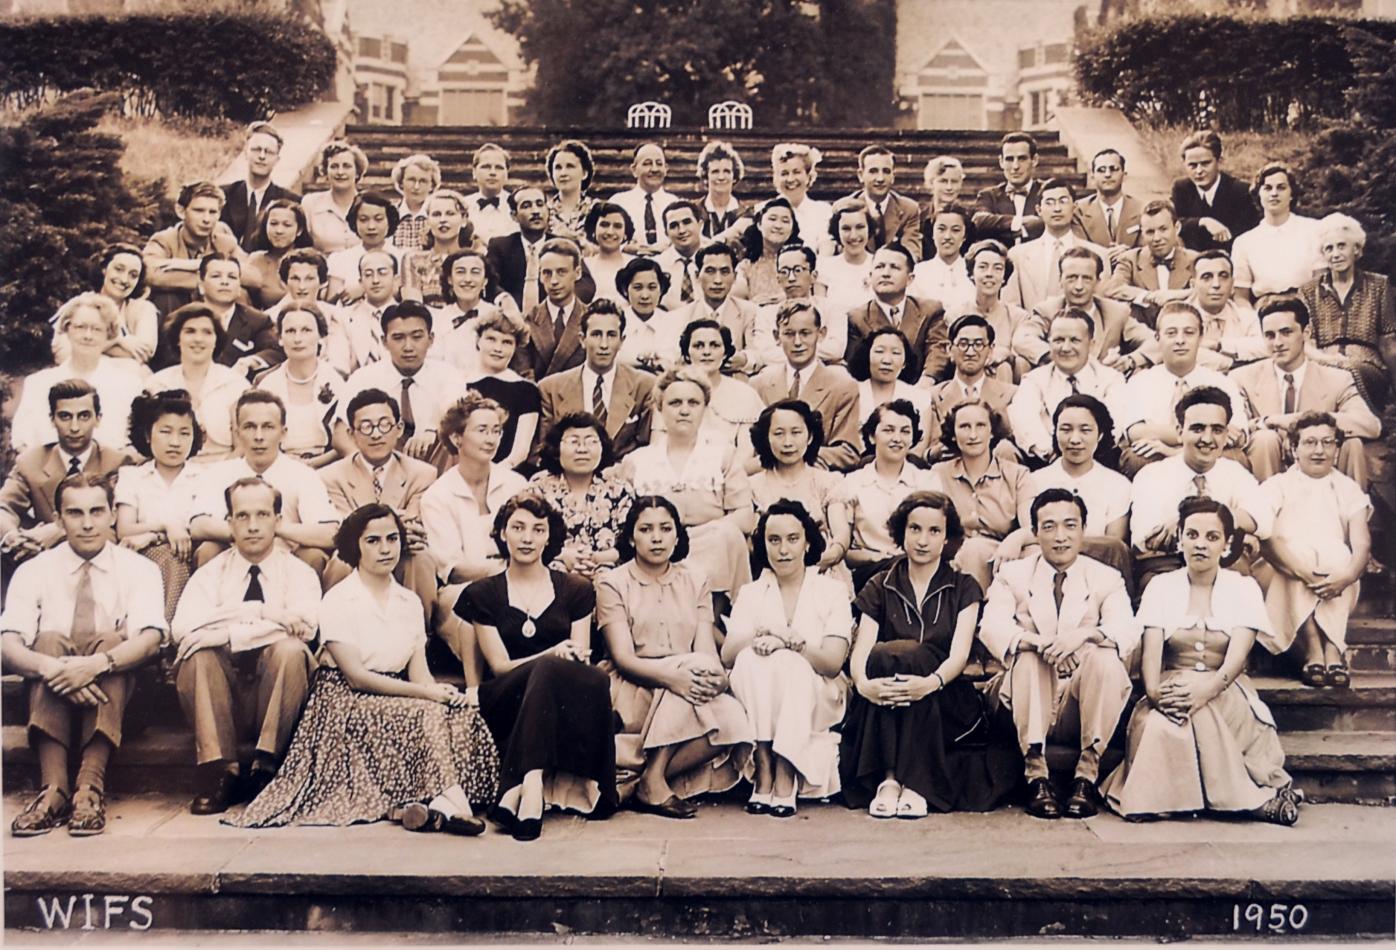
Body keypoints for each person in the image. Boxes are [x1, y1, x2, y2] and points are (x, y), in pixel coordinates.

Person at [230, 504, 499, 832]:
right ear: (354, 546)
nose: (385, 549)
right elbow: (356, 677)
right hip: (344, 701)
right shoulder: (339, 600)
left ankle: (425, 805)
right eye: (373, 541)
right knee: (425, 713)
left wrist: (437, 692)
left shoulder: (409, 602)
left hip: (395, 691)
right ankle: (450, 802)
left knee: (458, 714)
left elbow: (419, 672)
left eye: (392, 538)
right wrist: (425, 695)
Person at [1100, 498, 1299, 825]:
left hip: (1225, 693)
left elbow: (1234, 663)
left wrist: (1201, 693)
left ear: (1226, 544)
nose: (1200, 544)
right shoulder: (1160, 587)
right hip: (1170, 691)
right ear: (1179, 539)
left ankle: (1197, 797)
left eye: (1212, 537)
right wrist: (1155, 696)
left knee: (1187, 717)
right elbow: (1151, 660)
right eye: (1192, 534)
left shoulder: (1244, 588)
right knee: (1160, 725)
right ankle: (1245, 802)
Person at [1, 474, 166, 837]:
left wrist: (95, 665)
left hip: (124, 699)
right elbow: (8, 646)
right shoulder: (34, 570)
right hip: (52, 691)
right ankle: (55, 789)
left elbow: (152, 639)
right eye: (75, 513)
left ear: (111, 515)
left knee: (111, 641)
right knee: (46, 641)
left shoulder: (139, 568)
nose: (88, 523)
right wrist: (54, 669)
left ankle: (90, 785)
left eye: (97, 511)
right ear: (59, 520)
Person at [841, 491, 1021, 817]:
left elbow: (959, 655)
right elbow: (862, 650)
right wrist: (863, 685)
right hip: (886, 698)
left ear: (947, 537)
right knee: (888, 655)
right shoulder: (880, 585)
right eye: (915, 529)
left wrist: (929, 683)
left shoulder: (964, 587)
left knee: (913, 655)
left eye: (934, 531)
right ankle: (891, 781)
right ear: (901, 532)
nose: (923, 540)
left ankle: (908, 780)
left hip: (945, 699)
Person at [455, 494, 618, 841]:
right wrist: (551, 653)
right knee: (545, 668)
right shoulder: (482, 593)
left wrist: (561, 655)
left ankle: (526, 784)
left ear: (549, 537)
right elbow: (499, 666)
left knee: (566, 674)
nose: (527, 538)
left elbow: (580, 652)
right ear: (502, 533)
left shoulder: (576, 589)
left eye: (537, 529)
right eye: (518, 528)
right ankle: (530, 785)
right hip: (508, 695)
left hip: (566, 695)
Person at [979, 488, 1141, 820]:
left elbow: (1126, 630)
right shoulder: (1013, 575)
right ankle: (1036, 774)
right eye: (1049, 527)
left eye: (1070, 525)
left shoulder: (1105, 577)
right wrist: (1043, 645)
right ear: (1035, 533)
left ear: (1083, 529)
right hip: (1021, 698)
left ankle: (1086, 774)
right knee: (1031, 656)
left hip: (1076, 703)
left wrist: (1082, 636)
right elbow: (991, 627)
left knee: (1105, 658)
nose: (1060, 537)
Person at [597, 496, 754, 816]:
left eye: (666, 528)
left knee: (735, 721)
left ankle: (644, 781)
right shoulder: (612, 583)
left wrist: (717, 678)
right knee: (693, 667)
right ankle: (651, 782)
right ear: (631, 537)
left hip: (687, 684)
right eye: (646, 529)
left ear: (677, 536)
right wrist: (674, 677)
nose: (657, 537)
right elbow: (624, 657)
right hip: (634, 686)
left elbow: (705, 650)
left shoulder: (696, 579)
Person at [172, 476, 320, 814]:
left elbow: (306, 628)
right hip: (221, 700)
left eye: (262, 515)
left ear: (278, 521)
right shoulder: (210, 574)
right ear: (229, 523)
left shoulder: (298, 573)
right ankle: (220, 771)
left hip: (279, 696)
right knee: (199, 655)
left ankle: (266, 769)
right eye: (242, 516)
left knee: (290, 650)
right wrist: (263, 612)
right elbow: (182, 630)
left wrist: (224, 631)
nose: (252, 526)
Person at [723, 500, 853, 816]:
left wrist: (788, 641)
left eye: (793, 539)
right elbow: (728, 655)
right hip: (761, 692)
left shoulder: (831, 591)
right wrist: (759, 634)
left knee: (790, 662)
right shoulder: (751, 593)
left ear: (807, 542)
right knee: (751, 660)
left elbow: (832, 663)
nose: (783, 550)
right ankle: (764, 762)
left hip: (819, 694)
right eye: (774, 540)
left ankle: (785, 767)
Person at [620, 368, 756, 606]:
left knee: (728, 535)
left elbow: (744, 516)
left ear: (705, 408)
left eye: (693, 403)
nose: (684, 410)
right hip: (656, 547)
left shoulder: (722, 454)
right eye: (675, 403)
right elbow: (623, 520)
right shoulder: (637, 461)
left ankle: (715, 625)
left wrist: (698, 535)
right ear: (660, 408)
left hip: (713, 547)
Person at [1259, 412, 1372, 688]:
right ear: (1293, 448)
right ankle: (1313, 645)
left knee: (1337, 554)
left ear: (1337, 448)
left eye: (1327, 442)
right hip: (1281, 574)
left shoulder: (1347, 488)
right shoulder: (1276, 486)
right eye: (1309, 442)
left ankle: (1332, 645)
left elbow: (1362, 545)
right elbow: (1267, 539)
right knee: (1300, 552)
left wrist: (1346, 577)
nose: (1319, 450)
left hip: (1336, 582)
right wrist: (1302, 571)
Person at [422, 393, 528, 672]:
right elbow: (453, 570)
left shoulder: (516, 484)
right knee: (476, 605)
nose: (492, 439)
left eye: (497, 431)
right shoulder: (438, 495)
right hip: (463, 590)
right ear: (457, 438)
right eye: (482, 430)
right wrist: (506, 570)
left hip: (521, 576)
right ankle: (479, 687)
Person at [1130, 387, 1272, 591]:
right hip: (1167, 568)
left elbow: (1264, 522)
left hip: (1224, 566)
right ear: (1179, 432)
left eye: (1217, 430)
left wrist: (1183, 521)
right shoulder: (1152, 475)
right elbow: (1146, 540)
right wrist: (1231, 528)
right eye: (1197, 429)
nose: (1207, 439)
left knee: (1239, 584)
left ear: (1225, 435)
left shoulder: (1235, 473)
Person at [1232, 294, 1380, 487]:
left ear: (1306, 333)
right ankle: (1265, 513)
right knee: (1264, 438)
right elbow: (1236, 428)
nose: (1277, 342)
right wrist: (1268, 423)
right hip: (1268, 471)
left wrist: (1300, 420)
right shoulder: (1242, 378)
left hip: (1322, 471)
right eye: (1270, 335)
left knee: (1353, 444)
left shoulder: (1336, 378)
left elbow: (1370, 425)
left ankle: (1351, 513)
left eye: (1286, 332)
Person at [319, 389, 440, 623]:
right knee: (340, 562)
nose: (376, 434)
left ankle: (421, 635)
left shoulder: (422, 473)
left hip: (401, 550)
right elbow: (343, 530)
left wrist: (374, 528)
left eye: (384, 425)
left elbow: (412, 526)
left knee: (420, 558)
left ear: (399, 429)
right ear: (352, 434)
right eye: (366, 427)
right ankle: (337, 634)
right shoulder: (330, 477)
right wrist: (391, 524)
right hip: (355, 552)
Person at [189, 390, 341, 573]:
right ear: (237, 433)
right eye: (250, 427)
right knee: (208, 549)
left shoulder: (303, 474)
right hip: (235, 563)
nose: (258, 436)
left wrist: (274, 528)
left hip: (288, 564)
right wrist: (244, 530)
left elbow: (330, 533)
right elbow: (198, 525)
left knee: (314, 556)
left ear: (283, 433)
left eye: (268, 427)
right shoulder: (220, 472)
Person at [0, 381, 126, 574]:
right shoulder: (31, 462)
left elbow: (111, 530)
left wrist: (58, 530)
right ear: (52, 419)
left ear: (98, 419)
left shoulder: (116, 462)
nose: (74, 427)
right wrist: (13, 537)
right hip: (39, 560)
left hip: (101, 563)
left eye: (84, 416)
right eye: (65, 417)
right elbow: (3, 507)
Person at [1116, 302, 1250, 476]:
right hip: (1159, 455)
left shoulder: (1220, 382)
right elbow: (1136, 432)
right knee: (1138, 457)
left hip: (1208, 455)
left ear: (1200, 337)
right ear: (1157, 338)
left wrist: (1174, 448)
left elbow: (1237, 436)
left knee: (1234, 457)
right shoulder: (1140, 382)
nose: (1180, 340)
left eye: (1189, 333)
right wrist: (1207, 432)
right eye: (1171, 333)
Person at [1006, 394, 1133, 578]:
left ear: (1100, 435)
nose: (1075, 439)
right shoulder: (1032, 481)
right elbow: (1035, 537)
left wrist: (1021, 536)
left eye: (1085, 430)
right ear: (1055, 432)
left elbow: (1112, 548)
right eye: (1066, 429)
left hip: (1099, 574)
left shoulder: (1118, 485)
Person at [13, 294, 144, 455]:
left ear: (108, 334)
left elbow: (137, 443)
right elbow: (21, 440)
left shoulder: (129, 385)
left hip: (111, 475)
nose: (87, 336)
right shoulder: (38, 383)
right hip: (46, 475)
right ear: (67, 329)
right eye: (80, 327)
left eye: (96, 329)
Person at [341, 301, 466, 467]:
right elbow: (340, 434)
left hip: (435, 466)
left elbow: (454, 408)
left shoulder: (447, 374)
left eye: (417, 337)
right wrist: (368, 469)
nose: (408, 347)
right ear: (384, 342)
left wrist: (431, 429)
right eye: (398, 338)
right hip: (379, 464)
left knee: (451, 434)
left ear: (431, 339)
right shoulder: (364, 378)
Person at [116, 390, 205, 621]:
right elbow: (125, 529)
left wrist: (152, 534)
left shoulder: (205, 478)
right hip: (142, 557)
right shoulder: (132, 477)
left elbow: (204, 527)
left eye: (185, 433)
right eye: (165, 432)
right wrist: (166, 526)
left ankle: (168, 636)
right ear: (147, 434)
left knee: (175, 559)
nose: (175, 442)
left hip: (190, 558)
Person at [748, 399, 853, 590]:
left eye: (796, 433)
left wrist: (832, 554)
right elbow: (754, 542)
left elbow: (840, 533)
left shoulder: (828, 482)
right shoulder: (753, 486)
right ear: (766, 438)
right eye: (778, 434)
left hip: (823, 570)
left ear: (810, 436)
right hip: (770, 573)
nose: (788, 442)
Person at [1297, 212, 1396, 412]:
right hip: (1323, 362)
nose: (1335, 254)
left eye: (1342, 246)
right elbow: (1307, 343)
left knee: (1351, 370)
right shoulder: (1308, 291)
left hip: (1367, 366)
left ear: (1356, 249)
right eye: (1329, 248)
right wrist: (1329, 360)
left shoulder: (1378, 285)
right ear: (1323, 255)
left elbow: (1389, 344)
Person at [841, 399, 943, 590]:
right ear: (872, 436)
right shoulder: (852, 483)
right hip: (871, 573)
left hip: (918, 568)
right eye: (888, 430)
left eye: (905, 431)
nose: (897, 438)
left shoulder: (927, 481)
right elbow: (844, 551)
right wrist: (874, 556)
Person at [536, 300, 654, 463]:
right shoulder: (551, 388)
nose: (604, 345)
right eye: (596, 335)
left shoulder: (645, 385)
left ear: (622, 341)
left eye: (611, 335)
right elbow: (544, 452)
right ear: (582, 339)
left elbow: (648, 448)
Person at [1007, 309, 1128, 467]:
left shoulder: (1111, 379)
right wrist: (1054, 453)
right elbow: (1024, 420)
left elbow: (1115, 423)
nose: (1065, 348)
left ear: (1091, 345)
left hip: (1100, 459)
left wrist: (1084, 455)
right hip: (1048, 460)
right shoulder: (1034, 380)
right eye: (1058, 340)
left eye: (1075, 340)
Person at [931, 400, 1031, 590]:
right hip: (949, 560)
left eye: (981, 425)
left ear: (992, 431)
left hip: (1002, 558)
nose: (973, 435)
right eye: (964, 427)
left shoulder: (1017, 474)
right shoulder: (938, 474)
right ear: (953, 434)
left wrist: (1015, 539)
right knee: (973, 550)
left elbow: (1032, 527)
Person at [752, 301, 863, 471]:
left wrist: (801, 455)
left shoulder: (843, 387)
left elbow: (849, 452)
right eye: (789, 334)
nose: (798, 342)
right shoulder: (759, 385)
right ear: (776, 336)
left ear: (821, 334)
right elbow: (751, 449)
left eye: (805, 333)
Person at [1011, 247, 1153, 374]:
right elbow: (1022, 338)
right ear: (1060, 280)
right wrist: (1060, 357)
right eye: (1072, 278)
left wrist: (1129, 360)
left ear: (1098, 282)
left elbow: (1154, 341)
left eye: (1086, 279)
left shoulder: (1115, 312)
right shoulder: (1048, 310)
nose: (1079, 286)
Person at [527, 412, 634, 580]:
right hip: (553, 571)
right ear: (557, 448)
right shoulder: (538, 489)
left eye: (591, 442)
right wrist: (564, 556)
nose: (582, 449)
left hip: (608, 574)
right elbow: (529, 539)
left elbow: (631, 542)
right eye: (574, 441)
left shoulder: (620, 490)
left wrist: (596, 559)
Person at [254, 304, 350, 469]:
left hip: (330, 468)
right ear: (280, 338)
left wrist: (312, 464)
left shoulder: (339, 381)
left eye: (306, 330)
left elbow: (348, 440)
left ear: (321, 336)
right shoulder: (265, 382)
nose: (298, 338)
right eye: (290, 331)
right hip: (276, 468)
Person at [153, 253, 280, 378]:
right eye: (216, 276)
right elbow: (164, 361)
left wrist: (251, 361)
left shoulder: (258, 321)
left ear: (239, 286)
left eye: (232, 277)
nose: (225, 282)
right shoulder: (180, 319)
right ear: (201, 284)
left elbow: (276, 352)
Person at [665, 318, 765, 466]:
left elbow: (746, 453)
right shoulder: (671, 392)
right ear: (687, 353)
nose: (706, 352)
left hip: (732, 474)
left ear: (725, 353)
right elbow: (660, 444)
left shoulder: (744, 394)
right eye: (698, 346)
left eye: (714, 345)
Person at [844, 244, 949, 381]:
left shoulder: (930, 310)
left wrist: (926, 382)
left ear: (910, 278)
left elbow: (937, 352)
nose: (885, 273)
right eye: (879, 267)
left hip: (921, 387)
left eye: (894, 267)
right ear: (870, 276)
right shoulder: (856, 317)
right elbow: (857, 367)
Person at [1003, 180, 1108, 312]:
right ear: (1038, 210)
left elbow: (1102, 307)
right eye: (1049, 202)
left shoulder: (1099, 255)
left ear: (1074, 207)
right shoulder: (1017, 255)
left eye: (1063, 201)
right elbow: (1011, 309)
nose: (1057, 208)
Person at [50, 243, 160, 369]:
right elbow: (64, 355)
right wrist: (119, 340)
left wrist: (86, 346)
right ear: (104, 269)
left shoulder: (143, 309)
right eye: (119, 269)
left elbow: (144, 353)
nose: (124, 280)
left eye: (133, 275)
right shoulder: (79, 305)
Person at [143, 181, 244, 316]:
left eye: (213, 212)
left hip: (215, 314)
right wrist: (216, 282)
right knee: (166, 296)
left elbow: (254, 276)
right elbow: (152, 275)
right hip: (177, 314)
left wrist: (195, 265)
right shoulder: (164, 240)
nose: (206, 219)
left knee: (242, 294)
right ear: (181, 211)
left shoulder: (223, 239)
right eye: (199, 211)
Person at [926, 315, 1018, 459]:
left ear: (991, 349)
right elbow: (925, 450)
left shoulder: (1011, 395)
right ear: (950, 349)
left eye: (978, 344)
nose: (970, 352)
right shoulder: (933, 396)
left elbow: (1016, 446)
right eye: (963, 344)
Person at [1231, 163, 1322, 303]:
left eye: (1281, 187)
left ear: (1292, 194)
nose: (1274, 193)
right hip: (1263, 312)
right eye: (1267, 188)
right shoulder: (1244, 242)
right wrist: (1251, 321)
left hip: (1307, 307)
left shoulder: (1313, 230)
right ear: (1258, 194)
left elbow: (1320, 283)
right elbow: (1240, 297)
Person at [465, 310, 541, 471]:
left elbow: (521, 451)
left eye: (507, 342)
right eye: (491, 339)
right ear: (478, 340)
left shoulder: (527, 390)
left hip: (508, 474)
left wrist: (495, 475)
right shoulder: (459, 383)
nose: (498, 348)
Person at [1102, 200, 1199, 326]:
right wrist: (1149, 296)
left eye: (1163, 229)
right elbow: (1113, 288)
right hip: (1141, 336)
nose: (1157, 238)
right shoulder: (1130, 259)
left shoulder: (1195, 260)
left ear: (1177, 228)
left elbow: (1208, 290)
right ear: (1142, 232)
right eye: (1150, 232)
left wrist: (1177, 294)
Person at [751, 243, 844, 367]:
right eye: (784, 272)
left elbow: (836, 349)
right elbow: (765, 354)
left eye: (797, 270)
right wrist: (812, 351)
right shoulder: (766, 314)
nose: (791, 278)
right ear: (778, 278)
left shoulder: (831, 309)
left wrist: (790, 351)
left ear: (813, 276)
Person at [1169, 130, 1262, 253]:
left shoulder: (1240, 191)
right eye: (1192, 165)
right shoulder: (1181, 188)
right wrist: (1203, 221)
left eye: (1205, 163)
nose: (1199, 171)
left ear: (1219, 161)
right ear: (1184, 164)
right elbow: (1173, 224)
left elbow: (1249, 236)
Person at [674, 243, 760, 374]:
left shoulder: (750, 312)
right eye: (710, 271)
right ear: (697, 276)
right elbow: (675, 356)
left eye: (725, 272)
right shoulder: (682, 315)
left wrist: (744, 359)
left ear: (735, 276)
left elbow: (759, 353)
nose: (718, 280)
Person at [515, 238, 593, 380]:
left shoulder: (592, 319)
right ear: (540, 276)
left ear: (578, 273)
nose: (554, 281)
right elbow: (524, 377)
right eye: (547, 273)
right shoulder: (527, 321)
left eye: (562, 272)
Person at [221, 122, 302, 251]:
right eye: (256, 149)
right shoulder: (223, 195)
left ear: (277, 159)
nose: (262, 156)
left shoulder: (290, 201)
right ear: (245, 153)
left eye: (269, 152)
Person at [847, 326, 933, 447]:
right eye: (879, 351)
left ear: (905, 362)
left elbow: (920, 448)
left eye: (896, 353)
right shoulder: (850, 394)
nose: (887, 360)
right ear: (867, 356)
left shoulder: (920, 398)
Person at [1185, 249, 1267, 372]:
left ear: (1232, 284)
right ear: (1193, 285)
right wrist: (1232, 363)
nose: (1216, 284)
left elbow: (1265, 346)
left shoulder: (1246, 316)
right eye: (1207, 277)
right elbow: (1181, 353)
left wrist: (1219, 345)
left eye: (1223, 276)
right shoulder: (1178, 316)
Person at [956, 240, 1028, 381]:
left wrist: (1006, 354)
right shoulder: (956, 314)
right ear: (971, 274)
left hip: (1004, 381)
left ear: (1004, 278)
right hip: (966, 380)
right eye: (983, 267)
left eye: (997, 268)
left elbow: (1022, 362)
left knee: (1004, 367)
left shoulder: (1018, 317)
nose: (990, 274)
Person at [402, 190, 482, 307]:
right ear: (428, 221)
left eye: (450, 214)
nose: (442, 220)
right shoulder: (413, 259)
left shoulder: (477, 258)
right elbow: (413, 305)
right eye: (436, 214)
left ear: (464, 219)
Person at [431, 248, 501, 377]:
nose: (468, 279)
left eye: (475, 272)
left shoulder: (497, 316)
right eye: (460, 272)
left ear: (485, 281)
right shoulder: (438, 320)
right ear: (450, 280)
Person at [845, 145, 923, 258]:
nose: (880, 178)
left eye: (886, 171)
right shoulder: (846, 208)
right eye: (873, 171)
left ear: (893, 176)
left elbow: (911, 253)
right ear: (861, 175)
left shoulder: (908, 209)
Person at [326, 192, 403, 305]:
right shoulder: (340, 259)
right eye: (363, 219)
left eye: (378, 219)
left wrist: (364, 289)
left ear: (389, 221)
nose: (371, 226)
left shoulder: (402, 258)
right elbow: (331, 302)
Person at [241, 199, 315, 311]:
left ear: (299, 230)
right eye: (273, 224)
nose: (279, 230)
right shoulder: (256, 260)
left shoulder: (311, 260)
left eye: (287, 225)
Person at [973, 132, 1044, 247]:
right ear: (1001, 162)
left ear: (1034, 160)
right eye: (1009, 159)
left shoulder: (1047, 192)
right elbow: (980, 222)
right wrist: (1019, 222)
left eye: (1022, 158)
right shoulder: (988, 196)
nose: (1015, 166)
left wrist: (999, 228)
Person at [335, 249, 400, 375]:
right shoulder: (343, 318)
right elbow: (339, 364)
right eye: (368, 274)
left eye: (382, 273)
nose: (375, 280)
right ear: (360, 281)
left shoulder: (408, 317)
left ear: (396, 279)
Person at [616, 257, 685, 374]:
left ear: (661, 290)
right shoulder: (615, 322)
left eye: (652, 287)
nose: (645, 296)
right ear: (625, 290)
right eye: (637, 287)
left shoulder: (674, 323)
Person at [1073, 148, 1142, 259]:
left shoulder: (1141, 209)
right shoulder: (1079, 211)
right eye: (1101, 170)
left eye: (1113, 169)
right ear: (1092, 176)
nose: (1108, 174)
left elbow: (1148, 247)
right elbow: (1080, 248)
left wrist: (1129, 253)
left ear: (1124, 174)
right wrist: (1107, 254)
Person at [303, 140, 368, 255]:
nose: (340, 172)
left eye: (347, 166)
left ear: (357, 172)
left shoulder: (369, 205)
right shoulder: (310, 204)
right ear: (325, 171)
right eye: (334, 166)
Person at [611, 142, 677, 255]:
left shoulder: (675, 204)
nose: (654, 169)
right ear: (634, 170)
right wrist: (625, 248)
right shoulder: (618, 203)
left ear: (666, 169)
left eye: (659, 163)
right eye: (647, 164)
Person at [733, 198, 800, 306]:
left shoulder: (803, 263)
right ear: (759, 224)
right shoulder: (745, 266)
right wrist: (753, 305)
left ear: (792, 229)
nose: (778, 226)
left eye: (785, 221)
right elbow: (735, 302)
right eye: (772, 219)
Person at [911, 204, 974, 317]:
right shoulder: (919, 272)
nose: (947, 236)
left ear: (964, 236)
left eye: (955, 230)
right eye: (941, 229)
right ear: (933, 234)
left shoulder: (974, 271)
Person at [770, 143, 833, 256]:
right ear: (776, 178)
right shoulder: (764, 210)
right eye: (784, 173)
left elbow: (826, 247)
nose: (790, 179)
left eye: (796, 172)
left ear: (809, 176)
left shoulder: (823, 211)